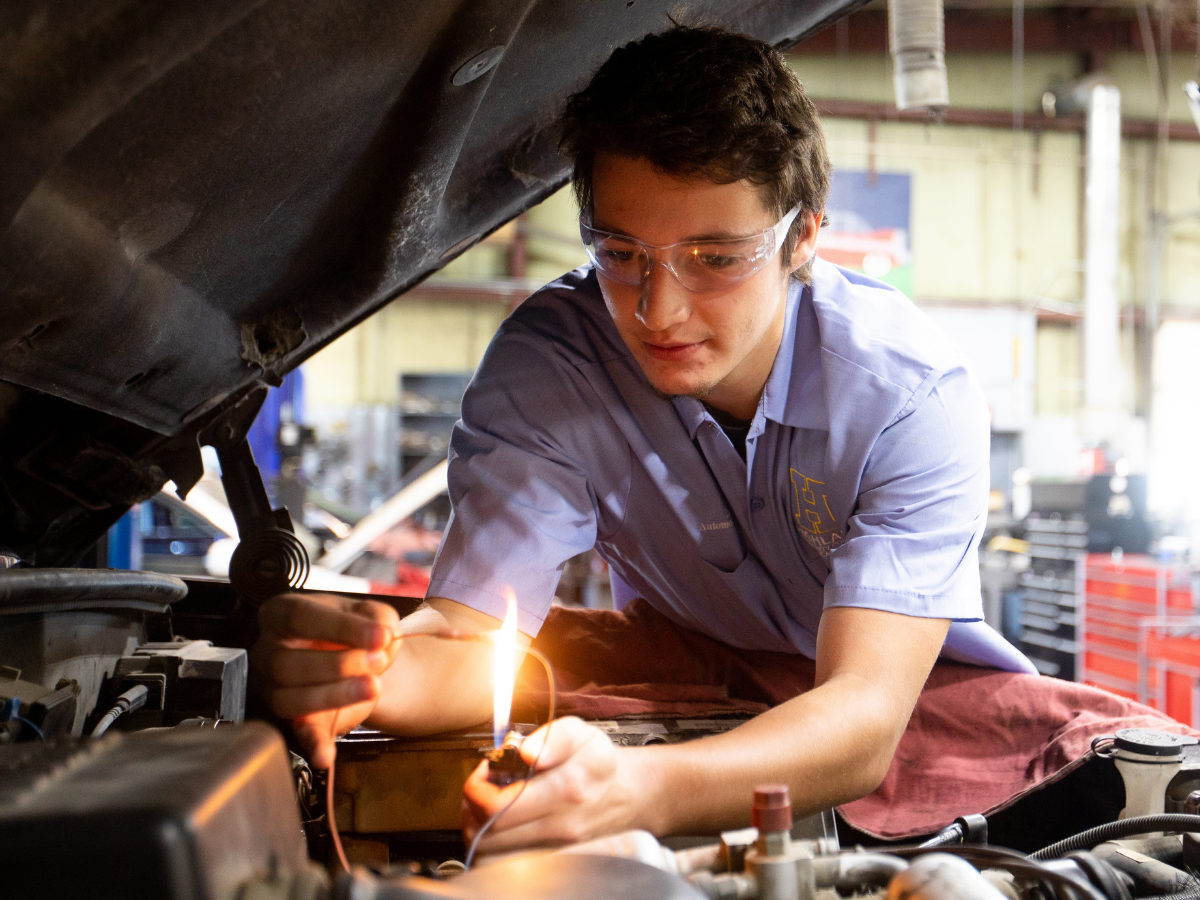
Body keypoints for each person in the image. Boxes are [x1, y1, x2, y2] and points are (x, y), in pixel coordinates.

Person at [254, 24, 1034, 853]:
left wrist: (641, 791)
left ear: (803, 235)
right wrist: (363, 676)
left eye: (714, 257)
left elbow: (864, 718)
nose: (658, 311)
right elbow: (471, 640)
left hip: (920, 713)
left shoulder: (908, 397)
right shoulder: (555, 367)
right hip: (695, 681)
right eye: (621, 253)